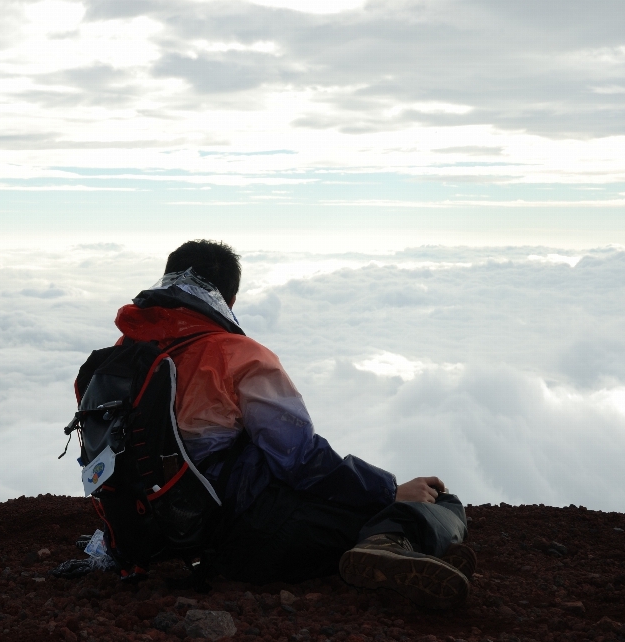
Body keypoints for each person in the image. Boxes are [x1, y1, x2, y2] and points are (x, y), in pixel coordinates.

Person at [113, 239, 475, 609]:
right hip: (253, 536)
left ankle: (409, 547)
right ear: (231, 300)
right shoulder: (238, 356)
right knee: (440, 503)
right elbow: (299, 458)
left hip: (153, 535)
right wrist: (389, 490)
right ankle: (392, 542)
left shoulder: (126, 355)